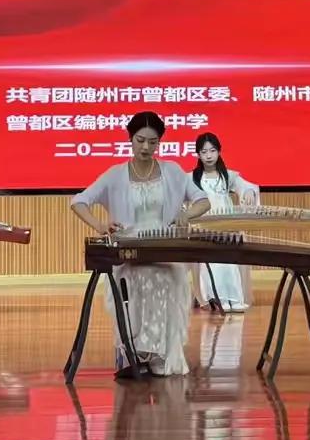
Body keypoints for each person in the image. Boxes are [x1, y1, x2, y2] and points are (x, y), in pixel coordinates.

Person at [70, 111, 211, 378]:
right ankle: (135, 351)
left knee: (164, 277)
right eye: (140, 140)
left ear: (159, 143)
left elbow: (203, 201)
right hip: (130, 251)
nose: (146, 147)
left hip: (164, 249)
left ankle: (158, 354)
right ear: (130, 139)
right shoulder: (115, 175)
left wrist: (186, 215)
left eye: (152, 142)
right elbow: (79, 201)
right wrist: (100, 225)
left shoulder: (172, 171)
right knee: (135, 278)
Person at [191, 133, 259, 312]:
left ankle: (234, 298)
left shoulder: (228, 176)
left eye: (212, 151)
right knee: (213, 263)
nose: (208, 155)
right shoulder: (192, 178)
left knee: (229, 262)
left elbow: (246, 186)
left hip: (226, 225)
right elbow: (178, 194)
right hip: (205, 226)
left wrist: (248, 192)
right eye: (204, 152)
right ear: (198, 154)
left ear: (219, 152)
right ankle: (216, 298)